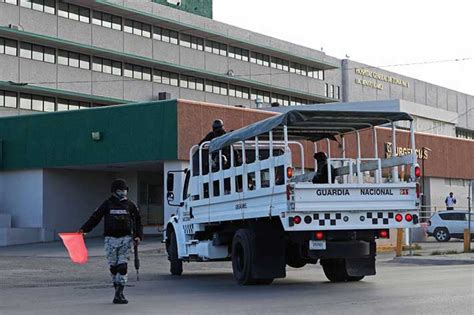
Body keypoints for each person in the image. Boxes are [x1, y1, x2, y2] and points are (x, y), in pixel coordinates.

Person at [79, 179, 142, 304]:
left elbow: (138, 221)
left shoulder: (130, 205)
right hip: (110, 240)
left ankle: (120, 292)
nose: (123, 193)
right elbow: (95, 218)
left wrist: (138, 236)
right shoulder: (107, 204)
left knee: (122, 266)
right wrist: (84, 230)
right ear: (114, 192)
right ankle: (116, 291)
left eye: (124, 190)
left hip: (125, 239)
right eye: (120, 190)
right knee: (114, 267)